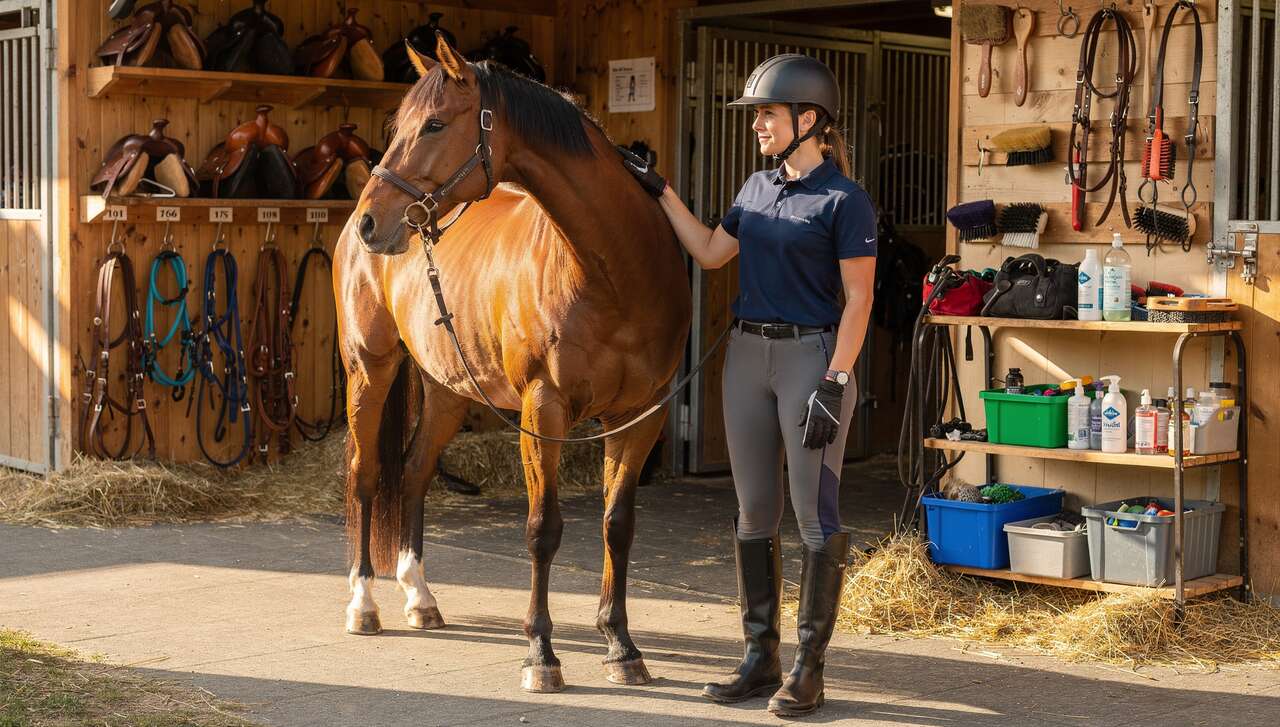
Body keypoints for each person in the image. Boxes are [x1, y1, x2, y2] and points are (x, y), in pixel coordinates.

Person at [622, 54, 876, 717]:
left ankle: (808, 668)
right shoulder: (756, 188)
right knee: (753, 511)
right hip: (745, 357)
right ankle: (758, 657)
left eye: (766, 112)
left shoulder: (845, 200)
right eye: (756, 114)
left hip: (810, 359)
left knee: (814, 515)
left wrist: (836, 378)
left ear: (809, 118)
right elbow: (710, 251)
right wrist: (662, 192)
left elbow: (859, 299)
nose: (756, 124)